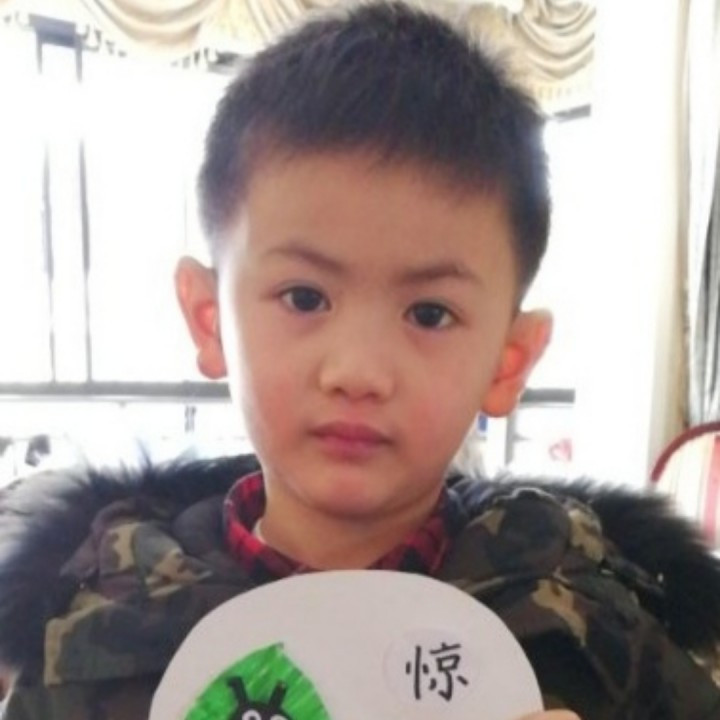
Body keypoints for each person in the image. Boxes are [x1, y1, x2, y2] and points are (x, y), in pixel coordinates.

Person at [1, 2, 719, 719]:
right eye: (304, 297)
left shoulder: (595, 633)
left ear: (509, 360)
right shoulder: (93, 631)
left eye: (429, 314)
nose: (358, 372)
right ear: (210, 318)